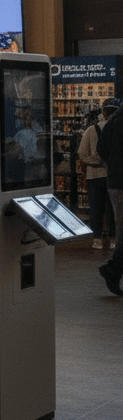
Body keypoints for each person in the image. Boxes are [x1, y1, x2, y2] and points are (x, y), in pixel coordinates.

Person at [79, 99, 117, 249]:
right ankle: (113, 238)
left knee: (96, 209)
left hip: (94, 175)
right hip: (113, 175)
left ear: (103, 112)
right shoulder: (118, 129)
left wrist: (93, 161)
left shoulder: (91, 130)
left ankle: (97, 239)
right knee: (113, 208)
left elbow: (82, 152)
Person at [96, 104, 123, 296]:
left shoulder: (112, 122)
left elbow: (102, 151)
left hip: (115, 181)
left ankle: (113, 269)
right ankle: (113, 269)